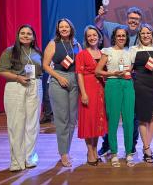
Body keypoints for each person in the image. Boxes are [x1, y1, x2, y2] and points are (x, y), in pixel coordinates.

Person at [95, 6, 144, 155]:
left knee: (133, 116)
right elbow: (99, 24)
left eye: (136, 19)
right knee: (112, 114)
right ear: (127, 19)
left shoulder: (143, 33)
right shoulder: (117, 28)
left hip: (133, 80)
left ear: (140, 21)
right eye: (131, 18)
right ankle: (108, 144)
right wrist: (100, 16)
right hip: (114, 79)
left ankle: (132, 145)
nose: (133, 21)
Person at [0, 24, 42, 172]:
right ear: (18, 35)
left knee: (32, 124)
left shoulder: (37, 52)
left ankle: (29, 157)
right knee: (16, 124)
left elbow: (42, 70)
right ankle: (16, 160)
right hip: (15, 86)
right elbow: (1, 71)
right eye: (23, 33)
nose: (26, 36)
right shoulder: (9, 51)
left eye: (29, 33)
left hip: (34, 86)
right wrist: (18, 78)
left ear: (33, 37)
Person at [43, 18, 81, 167]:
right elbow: (45, 65)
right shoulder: (53, 43)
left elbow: (81, 63)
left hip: (74, 80)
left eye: (67, 27)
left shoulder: (76, 44)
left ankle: (67, 150)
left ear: (71, 28)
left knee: (72, 121)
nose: (64, 29)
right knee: (62, 120)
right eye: (61, 27)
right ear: (58, 29)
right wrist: (59, 77)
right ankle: (63, 153)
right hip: (59, 80)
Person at [95, 26, 135, 168]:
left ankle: (129, 153)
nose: (121, 38)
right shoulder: (107, 51)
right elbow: (98, 71)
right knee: (112, 120)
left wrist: (129, 70)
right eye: (118, 35)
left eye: (123, 35)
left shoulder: (130, 52)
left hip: (128, 85)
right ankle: (114, 153)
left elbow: (131, 68)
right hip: (112, 85)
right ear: (114, 37)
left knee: (129, 120)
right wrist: (112, 74)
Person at [129, 24, 153, 163]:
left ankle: (145, 146)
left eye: (148, 33)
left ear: (152, 34)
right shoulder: (133, 49)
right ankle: (147, 148)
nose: (146, 35)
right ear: (139, 35)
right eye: (143, 33)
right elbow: (128, 68)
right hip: (140, 86)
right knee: (143, 118)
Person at [76, 25, 108, 166]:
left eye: (94, 35)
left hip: (101, 90)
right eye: (89, 36)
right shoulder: (82, 54)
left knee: (97, 121)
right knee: (89, 121)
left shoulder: (103, 54)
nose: (92, 37)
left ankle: (95, 149)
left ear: (99, 37)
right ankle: (90, 151)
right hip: (88, 90)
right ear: (86, 38)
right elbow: (79, 74)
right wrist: (83, 93)